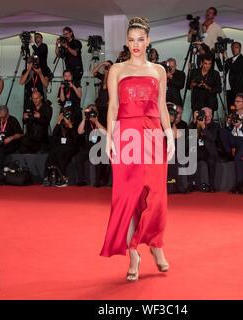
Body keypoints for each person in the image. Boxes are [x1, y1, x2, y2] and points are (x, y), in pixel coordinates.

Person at [100, 17, 175, 282]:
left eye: (140, 39)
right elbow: (112, 106)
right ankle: (133, 253)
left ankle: (156, 245)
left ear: (149, 40)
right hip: (127, 134)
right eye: (131, 40)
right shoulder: (117, 70)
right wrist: (109, 137)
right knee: (128, 195)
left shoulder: (158, 70)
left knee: (156, 194)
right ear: (126, 41)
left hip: (153, 133)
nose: (136, 44)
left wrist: (169, 135)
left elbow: (163, 106)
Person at [220, 93, 243, 192]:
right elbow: (228, 130)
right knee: (223, 131)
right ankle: (228, 151)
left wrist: (240, 125)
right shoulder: (233, 114)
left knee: (237, 158)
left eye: (238, 101)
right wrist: (228, 123)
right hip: (234, 139)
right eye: (235, 101)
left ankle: (239, 184)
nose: (236, 103)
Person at [0, 105, 23, 180]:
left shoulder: (13, 120)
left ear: (7, 114)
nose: (2, 119)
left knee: (1, 151)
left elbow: (19, 134)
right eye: (0, 117)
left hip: (9, 143)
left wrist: (11, 137)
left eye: (3, 117)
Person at [222, 42, 243, 111]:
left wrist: (226, 58)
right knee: (231, 110)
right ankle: (231, 121)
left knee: (238, 110)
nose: (234, 49)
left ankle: (239, 122)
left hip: (238, 89)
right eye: (232, 48)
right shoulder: (230, 60)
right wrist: (217, 56)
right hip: (229, 89)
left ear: (240, 48)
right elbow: (222, 68)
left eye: (236, 47)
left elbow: (235, 69)